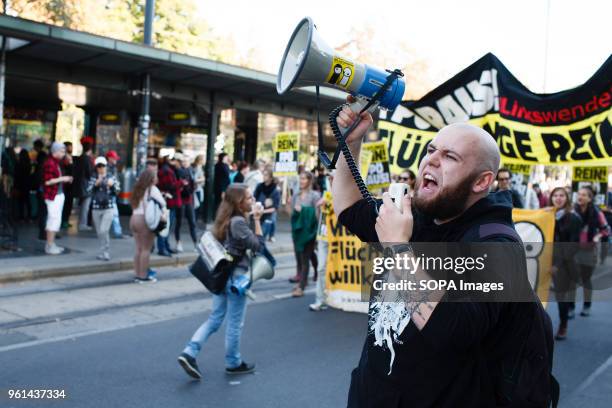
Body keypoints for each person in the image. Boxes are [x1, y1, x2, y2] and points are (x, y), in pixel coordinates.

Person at [334, 101, 553, 407]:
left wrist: (398, 249)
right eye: (431, 150)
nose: (431, 161)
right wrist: (352, 141)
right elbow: (347, 207)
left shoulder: (497, 246)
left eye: (449, 156)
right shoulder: (415, 215)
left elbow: (451, 329)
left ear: (481, 181)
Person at [177, 184, 263, 379]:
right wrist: (257, 220)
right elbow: (258, 246)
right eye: (249, 198)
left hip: (222, 276)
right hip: (236, 278)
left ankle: (189, 352)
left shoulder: (226, 220)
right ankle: (233, 362)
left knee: (215, 319)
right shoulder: (239, 223)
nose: (252, 200)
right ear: (239, 202)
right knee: (234, 323)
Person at [549, 187, 582, 340]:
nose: (558, 198)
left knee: (561, 297)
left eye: (562, 195)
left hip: (565, 264)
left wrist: (557, 265)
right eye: (555, 195)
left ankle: (563, 325)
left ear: (567, 198)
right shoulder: (547, 215)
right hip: (547, 260)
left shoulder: (573, 218)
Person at [572, 186, 610, 317]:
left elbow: (606, 230)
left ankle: (586, 306)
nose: (580, 197)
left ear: (589, 198)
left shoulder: (596, 212)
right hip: (574, 250)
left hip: (589, 251)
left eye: (583, 195)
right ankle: (570, 307)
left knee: (586, 280)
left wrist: (598, 236)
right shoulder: (573, 210)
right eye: (579, 194)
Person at [287, 171, 321, 297]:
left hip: (310, 232)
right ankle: (315, 271)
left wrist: (304, 210)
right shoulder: (296, 195)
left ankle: (301, 286)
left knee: (305, 257)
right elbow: (291, 214)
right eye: (300, 179)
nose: (301, 181)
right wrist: (288, 205)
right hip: (298, 231)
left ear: (309, 181)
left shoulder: (315, 196)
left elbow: (317, 215)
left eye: (304, 179)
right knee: (305, 254)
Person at [129, 169, 165, 283]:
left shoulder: (137, 189)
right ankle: (143, 276)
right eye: (155, 176)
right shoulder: (152, 189)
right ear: (151, 179)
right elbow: (163, 203)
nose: (156, 178)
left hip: (133, 219)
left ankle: (137, 274)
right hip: (144, 220)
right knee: (146, 249)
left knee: (138, 249)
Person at [42, 142, 73, 255]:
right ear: (54, 151)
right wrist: (63, 179)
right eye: (61, 151)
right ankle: (50, 245)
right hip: (53, 195)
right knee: (53, 219)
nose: (63, 153)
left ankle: (51, 243)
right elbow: (47, 181)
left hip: (57, 194)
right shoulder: (50, 163)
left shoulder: (57, 162)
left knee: (55, 220)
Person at [86, 157, 118, 261]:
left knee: (104, 230)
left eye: (103, 166)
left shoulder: (111, 177)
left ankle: (106, 251)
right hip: (96, 208)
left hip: (108, 207)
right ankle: (103, 252)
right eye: (98, 166)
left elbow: (118, 191)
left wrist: (112, 186)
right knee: (100, 232)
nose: (101, 168)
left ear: (106, 166)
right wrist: (96, 184)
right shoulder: (93, 177)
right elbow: (88, 190)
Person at [310, 174, 334, 311]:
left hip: (337, 239)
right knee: (321, 268)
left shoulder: (347, 195)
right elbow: (319, 218)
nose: (331, 180)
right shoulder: (326, 195)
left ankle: (337, 296)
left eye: (333, 178)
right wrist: (319, 207)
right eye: (329, 178)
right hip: (324, 235)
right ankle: (320, 300)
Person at [174, 154, 198, 252]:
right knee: (179, 222)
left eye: (186, 161)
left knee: (192, 222)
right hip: (181, 199)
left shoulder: (191, 171)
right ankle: (178, 243)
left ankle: (195, 243)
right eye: (183, 161)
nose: (185, 163)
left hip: (189, 199)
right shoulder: (178, 172)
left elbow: (193, 185)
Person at [254, 168, 280, 242]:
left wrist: (263, 211)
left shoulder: (275, 190)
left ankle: (271, 235)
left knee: (262, 236)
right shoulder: (259, 186)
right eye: (263, 174)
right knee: (257, 236)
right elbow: (254, 198)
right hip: (258, 214)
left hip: (268, 215)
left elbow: (275, 207)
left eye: (266, 175)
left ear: (271, 178)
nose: (263, 176)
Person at [75, 137, 95, 231]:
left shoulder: (80, 158)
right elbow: (89, 173)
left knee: (84, 205)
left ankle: (82, 223)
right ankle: (82, 224)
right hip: (86, 186)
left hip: (81, 185)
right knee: (85, 206)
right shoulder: (87, 159)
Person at [105, 150, 124, 239]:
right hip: (109, 194)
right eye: (114, 158)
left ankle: (116, 231)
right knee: (113, 213)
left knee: (111, 213)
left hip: (112, 193)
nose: (115, 160)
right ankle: (117, 232)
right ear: (109, 158)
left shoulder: (113, 168)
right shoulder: (106, 168)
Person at [32, 139, 48, 240]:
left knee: (43, 210)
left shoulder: (42, 157)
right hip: (43, 187)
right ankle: (43, 232)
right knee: (44, 210)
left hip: (42, 187)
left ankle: (43, 232)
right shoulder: (44, 157)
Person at [14, 148, 32, 221]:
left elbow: (16, 175)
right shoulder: (29, 164)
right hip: (27, 184)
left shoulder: (18, 164)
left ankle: (21, 216)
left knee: (20, 202)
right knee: (27, 201)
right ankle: (29, 216)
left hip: (20, 184)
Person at [60, 142, 74, 229]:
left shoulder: (69, 157)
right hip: (65, 185)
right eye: (69, 147)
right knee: (65, 204)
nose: (71, 148)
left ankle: (65, 220)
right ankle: (63, 221)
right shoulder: (64, 158)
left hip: (70, 185)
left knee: (69, 204)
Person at [192, 154, 205, 218]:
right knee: (197, 206)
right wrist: (202, 179)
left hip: (198, 189)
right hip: (197, 189)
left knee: (197, 205)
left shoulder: (198, 167)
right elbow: (194, 179)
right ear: (200, 160)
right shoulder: (198, 168)